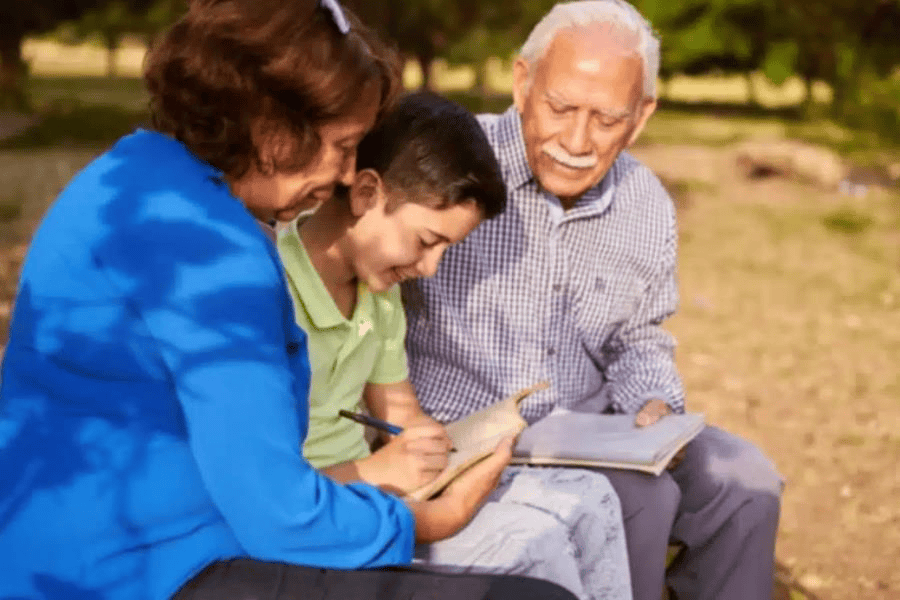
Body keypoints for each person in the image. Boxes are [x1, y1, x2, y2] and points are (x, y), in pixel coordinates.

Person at [0, 2, 578, 600]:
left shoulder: (129, 173)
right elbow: (280, 515)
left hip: (92, 544)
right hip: (133, 571)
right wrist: (430, 520)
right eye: (343, 145)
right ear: (275, 127)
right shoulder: (209, 249)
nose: (347, 171)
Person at [402, 2, 785, 600]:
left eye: (606, 119)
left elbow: (638, 337)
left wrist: (655, 401)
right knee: (641, 496)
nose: (577, 141)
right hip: (465, 432)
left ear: (640, 116)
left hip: (593, 425)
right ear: (523, 81)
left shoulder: (645, 201)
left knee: (747, 483)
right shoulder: (450, 160)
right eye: (560, 108)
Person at [276, 90, 632, 600]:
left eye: (447, 249)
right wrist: (378, 470)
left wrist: (441, 443)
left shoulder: (379, 293)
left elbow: (399, 409)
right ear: (366, 193)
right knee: (535, 546)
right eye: (426, 241)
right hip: (323, 513)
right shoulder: (273, 289)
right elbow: (267, 487)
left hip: (387, 489)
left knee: (593, 499)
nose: (430, 268)